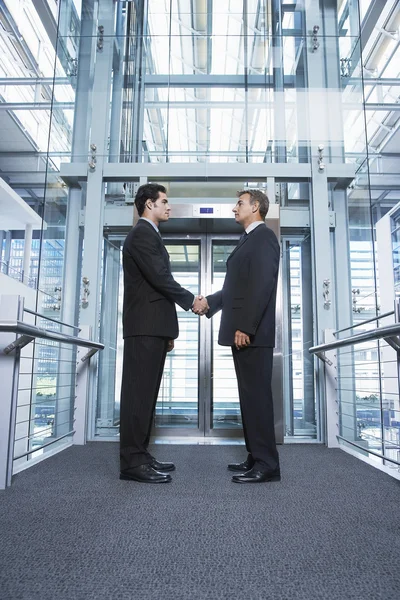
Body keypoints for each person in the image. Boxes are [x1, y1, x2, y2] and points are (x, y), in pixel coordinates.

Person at [120, 183, 208, 483]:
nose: (169, 207)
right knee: (137, 396)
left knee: (147, 395)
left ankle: (140, 456)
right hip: (143, 328)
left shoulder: (150, 234)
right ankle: (132, 463)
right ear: (148, 205)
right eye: (164, 201)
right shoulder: (142, 234)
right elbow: (160, 278)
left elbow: (156, 283)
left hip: (152, 328)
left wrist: (167, 331)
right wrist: (191, 300)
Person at [205, 189, 281, 483]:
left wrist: (246, 326)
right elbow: (237, 288)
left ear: (257, 207)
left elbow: (262, 285)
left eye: (240, 203)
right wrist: (210, 303)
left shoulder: (263, 238)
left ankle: (268, 465)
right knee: (249, 398)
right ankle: (256, 456)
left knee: (257, 398)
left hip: (252, 334)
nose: (234, 208)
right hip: (246, 333)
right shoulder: (250, 239)